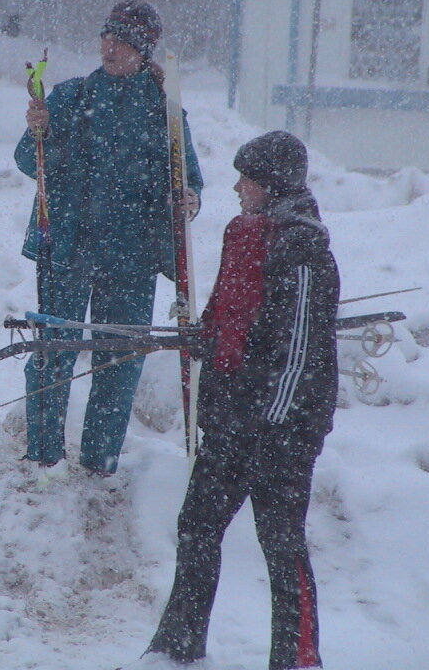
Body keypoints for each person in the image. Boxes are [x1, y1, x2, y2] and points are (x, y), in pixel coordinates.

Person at [141, 131, 339, 670]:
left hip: (283, 428)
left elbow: (300, 352)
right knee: (197, 526)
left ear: (271, 183)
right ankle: (177, 650)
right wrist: (207, 337)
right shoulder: (245, 231)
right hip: (233, 419)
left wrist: (272, 425)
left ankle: (297, 660)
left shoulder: (302, 246)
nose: (236, 186)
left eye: (246, 177)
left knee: (281, 545)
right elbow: (229, 310)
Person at [15, 0, 203, 476]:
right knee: (52, 352)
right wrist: (39, 133)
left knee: (119, 363)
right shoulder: (70, 97)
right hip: (68, 247)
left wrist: (188, 200)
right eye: (106, 36)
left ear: (142, 51)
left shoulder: (165, 115)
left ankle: (100, 461)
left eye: (120, 40)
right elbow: (26, 160)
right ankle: (43, 457)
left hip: (133, 258)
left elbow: (189, 181)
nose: (109, 46)